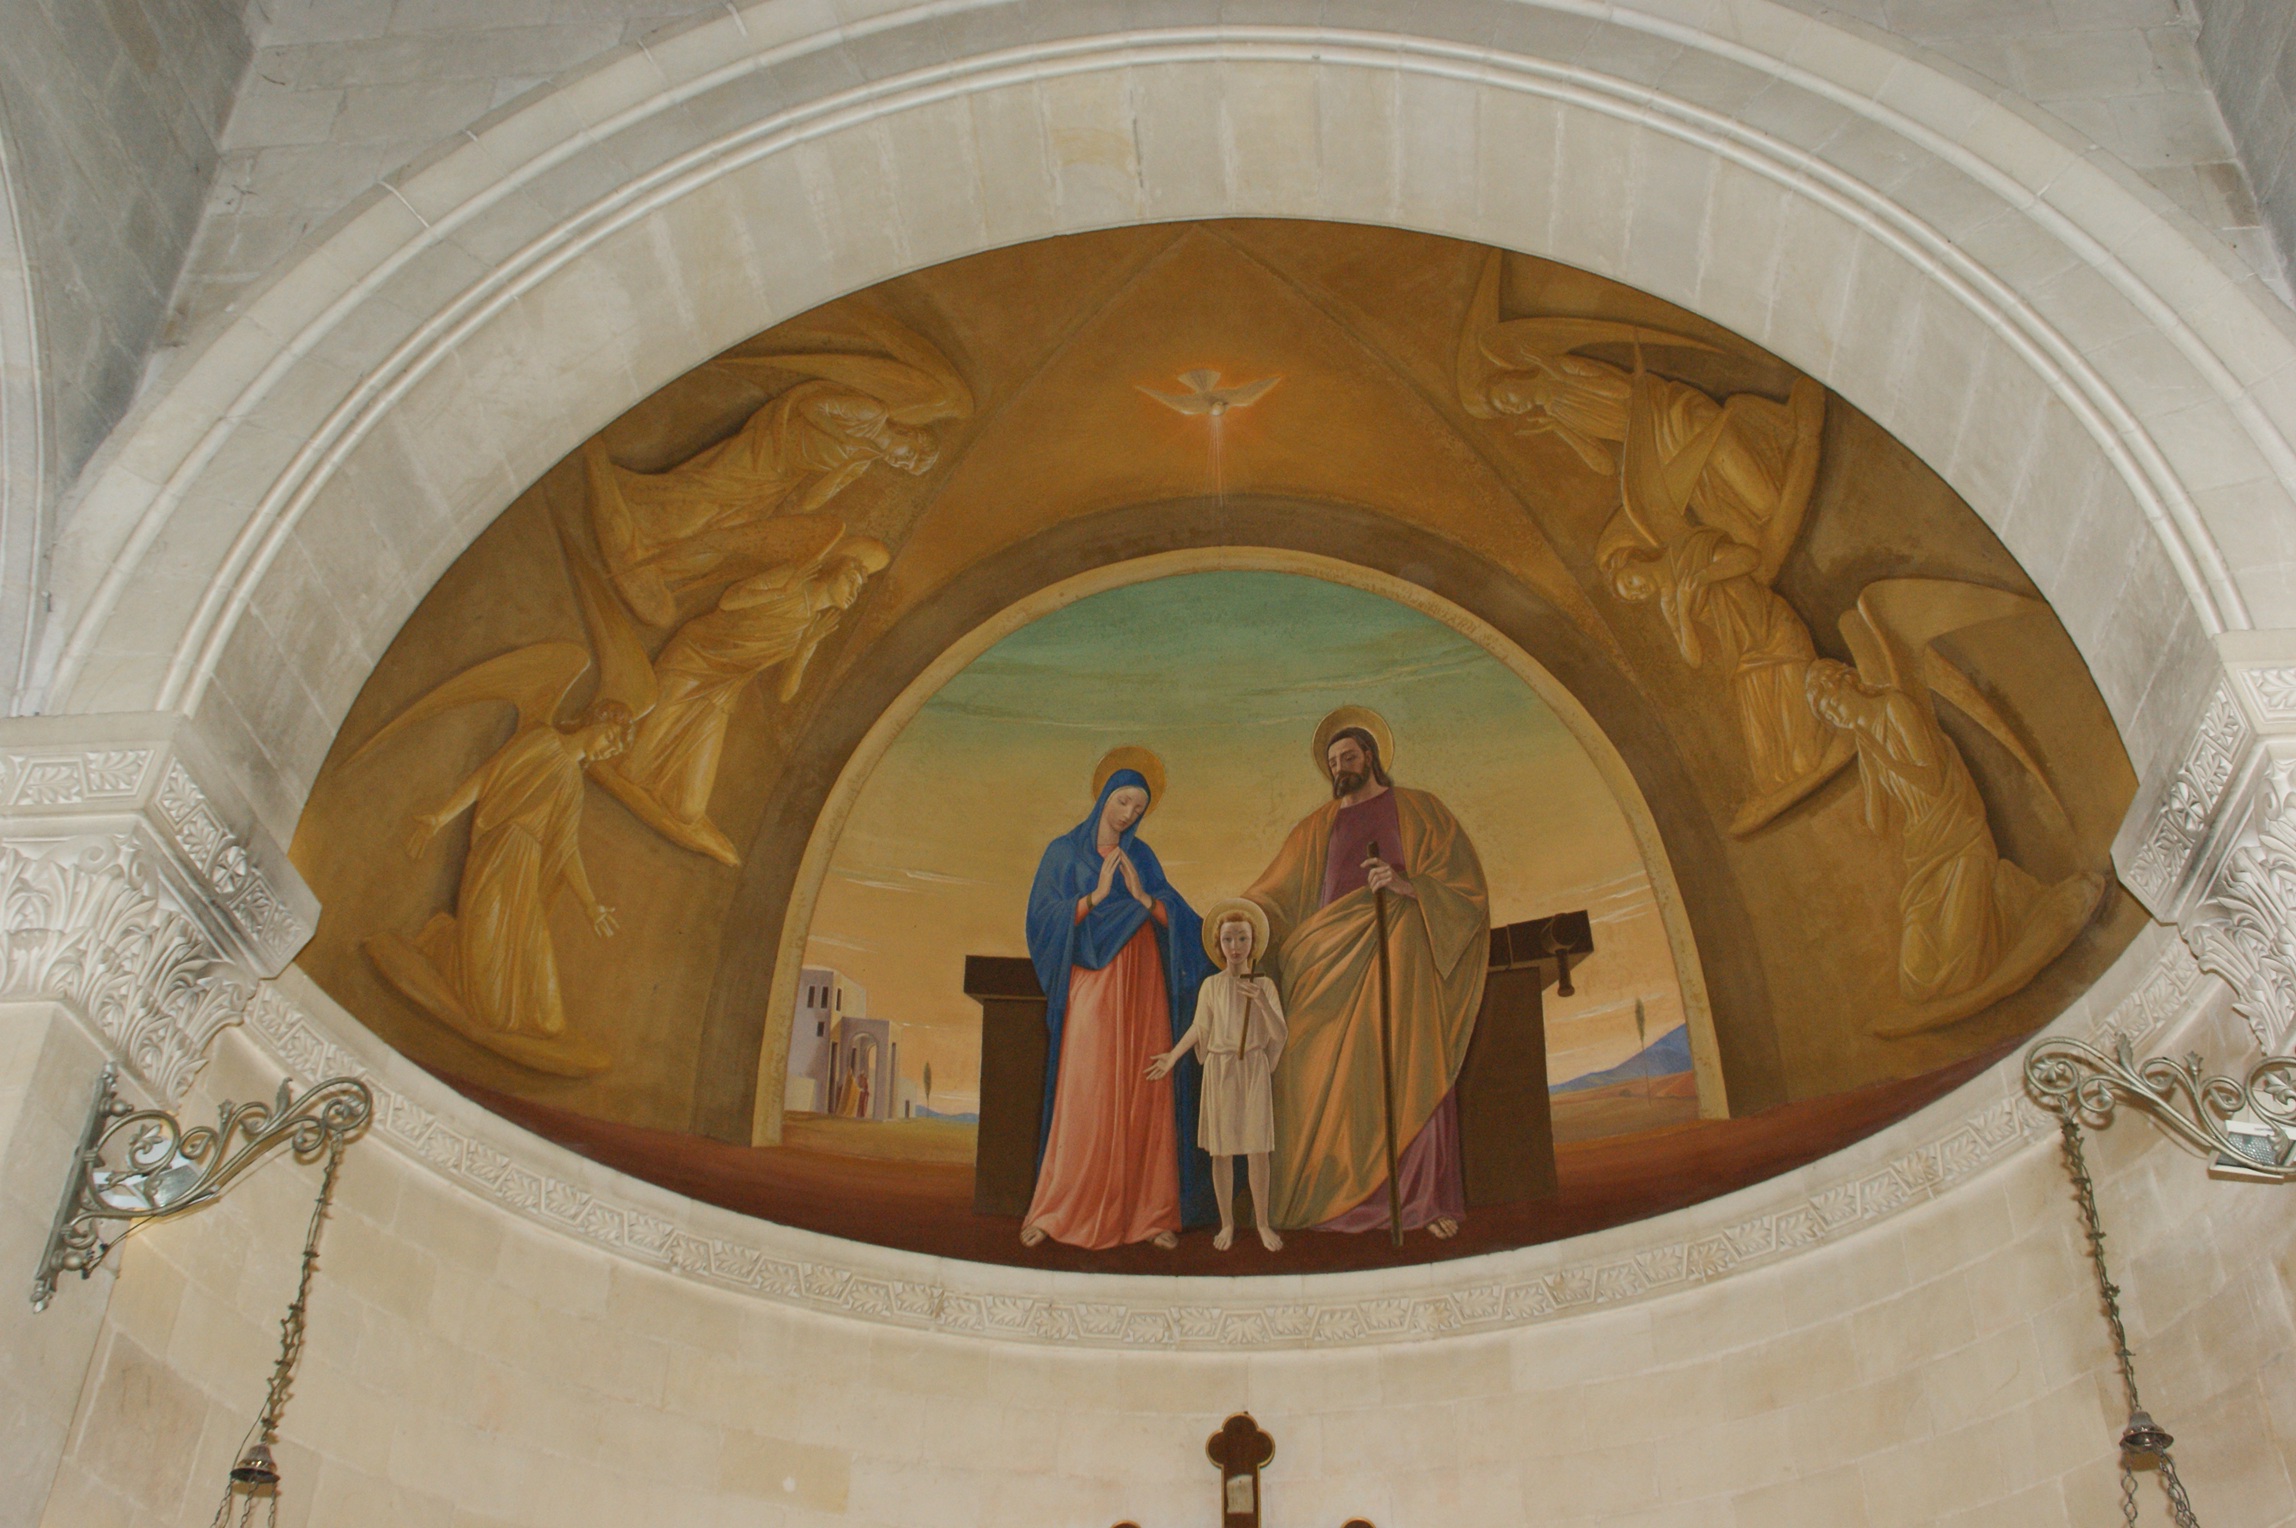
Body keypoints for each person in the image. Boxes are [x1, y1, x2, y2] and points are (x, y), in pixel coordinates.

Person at [1246, 708, 1489, 1238]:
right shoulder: (1315, 827)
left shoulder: (1420, 809)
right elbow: (1276, 894)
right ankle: (1329, 1201)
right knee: (1310, 1071)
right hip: (1325, 965)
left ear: (1371, 757)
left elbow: (1464, 887)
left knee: (1408, 1066)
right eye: (1333, 762)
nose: (1340, 768)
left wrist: (1407, 886)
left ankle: (1422, 1202)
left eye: (1349, 757)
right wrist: (1244, 916)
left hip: (1401, 958)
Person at [1020, 749, 1214, 1249]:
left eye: (1139, 808)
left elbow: (1178, 916)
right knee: (1086, 1090)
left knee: (1144, 1090)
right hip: (1093, 981)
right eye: (1123, 801)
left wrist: (1145, 898)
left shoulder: (1141, 857)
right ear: (1105, 795)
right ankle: (1055, 1211)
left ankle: (1151, 1215)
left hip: (1144, 981)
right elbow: (1041, 919)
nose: (1129, 814)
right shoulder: (1063, 853)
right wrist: (1095, 898)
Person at [1150, 899, 1287, 1252]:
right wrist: (1173, 1056)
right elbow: (1200, 1027)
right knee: (1221, 1152)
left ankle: (1262, 1223)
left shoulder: (1264, 985)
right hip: (1220, 1069)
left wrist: (1261, 1002)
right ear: (1218, 944)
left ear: (1253, 942)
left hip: (1252, 1069)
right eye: (1228, 939)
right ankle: (1227, 1223)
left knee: (1257, 1150)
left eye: (1242, 938)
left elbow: (1280, 1034)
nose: (1235, 947)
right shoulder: (1211, 986)